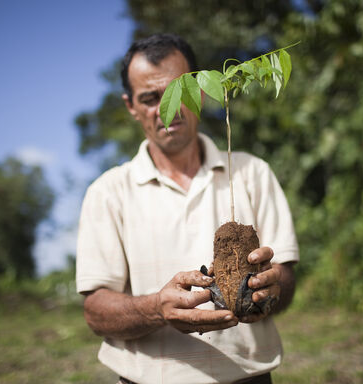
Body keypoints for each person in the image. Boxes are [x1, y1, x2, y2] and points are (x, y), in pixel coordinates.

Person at [76, 33, 299, 384]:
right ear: (131, 106)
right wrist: (156, 309)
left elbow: (284, 276)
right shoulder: (108, 192)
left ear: (200, 89)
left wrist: (272, 288)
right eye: (150, 98)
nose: (168, 107)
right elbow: (96, 312)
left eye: (179, 90)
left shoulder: (252, 172)